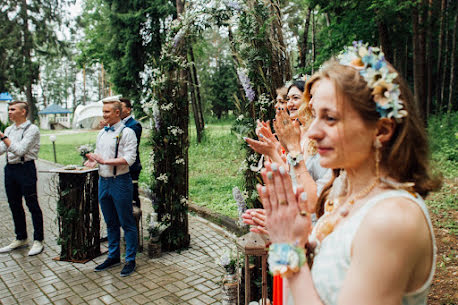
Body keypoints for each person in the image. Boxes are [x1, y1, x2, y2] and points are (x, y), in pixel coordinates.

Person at [258, 42, 441, 305]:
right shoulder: (344, 191)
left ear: (381, 130)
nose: (312, 132)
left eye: (330, 118)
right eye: (315, 116)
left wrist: (289, 249)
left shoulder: (392, 219)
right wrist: (302, 239)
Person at [85, 98, 138, 277]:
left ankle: (130, 260)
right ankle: (113, 256)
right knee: (110, 222)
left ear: (117, 112)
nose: (104, 115)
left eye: (107, 112)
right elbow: (100, 156)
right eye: (103, 111)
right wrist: (92, 161)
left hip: (120, 181)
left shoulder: (128, 132)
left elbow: (129, 159)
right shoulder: (102, 133)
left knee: (127, 223)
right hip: (103, 181)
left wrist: (104, 161)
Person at [0, 101, 44, 256]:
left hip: (26, 168)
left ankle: (38, 240)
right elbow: (3, 149)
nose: (9, 112)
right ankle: (21, 237)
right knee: (14, 204)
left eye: (13, 109)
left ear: (23, 112)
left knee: (32, 204)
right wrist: (4, 138)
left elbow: (19, 150)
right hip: (10, 169)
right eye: (9, 109)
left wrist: (3, 137)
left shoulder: (32, 129)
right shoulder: (9, 129)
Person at [119, 98, 142, 210]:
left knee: (132, 194)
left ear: (128, 110)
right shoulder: (117, 125)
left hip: (131, 166)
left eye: (120, 107)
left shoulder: (134, 125)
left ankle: (136, 221)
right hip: (120, 166)